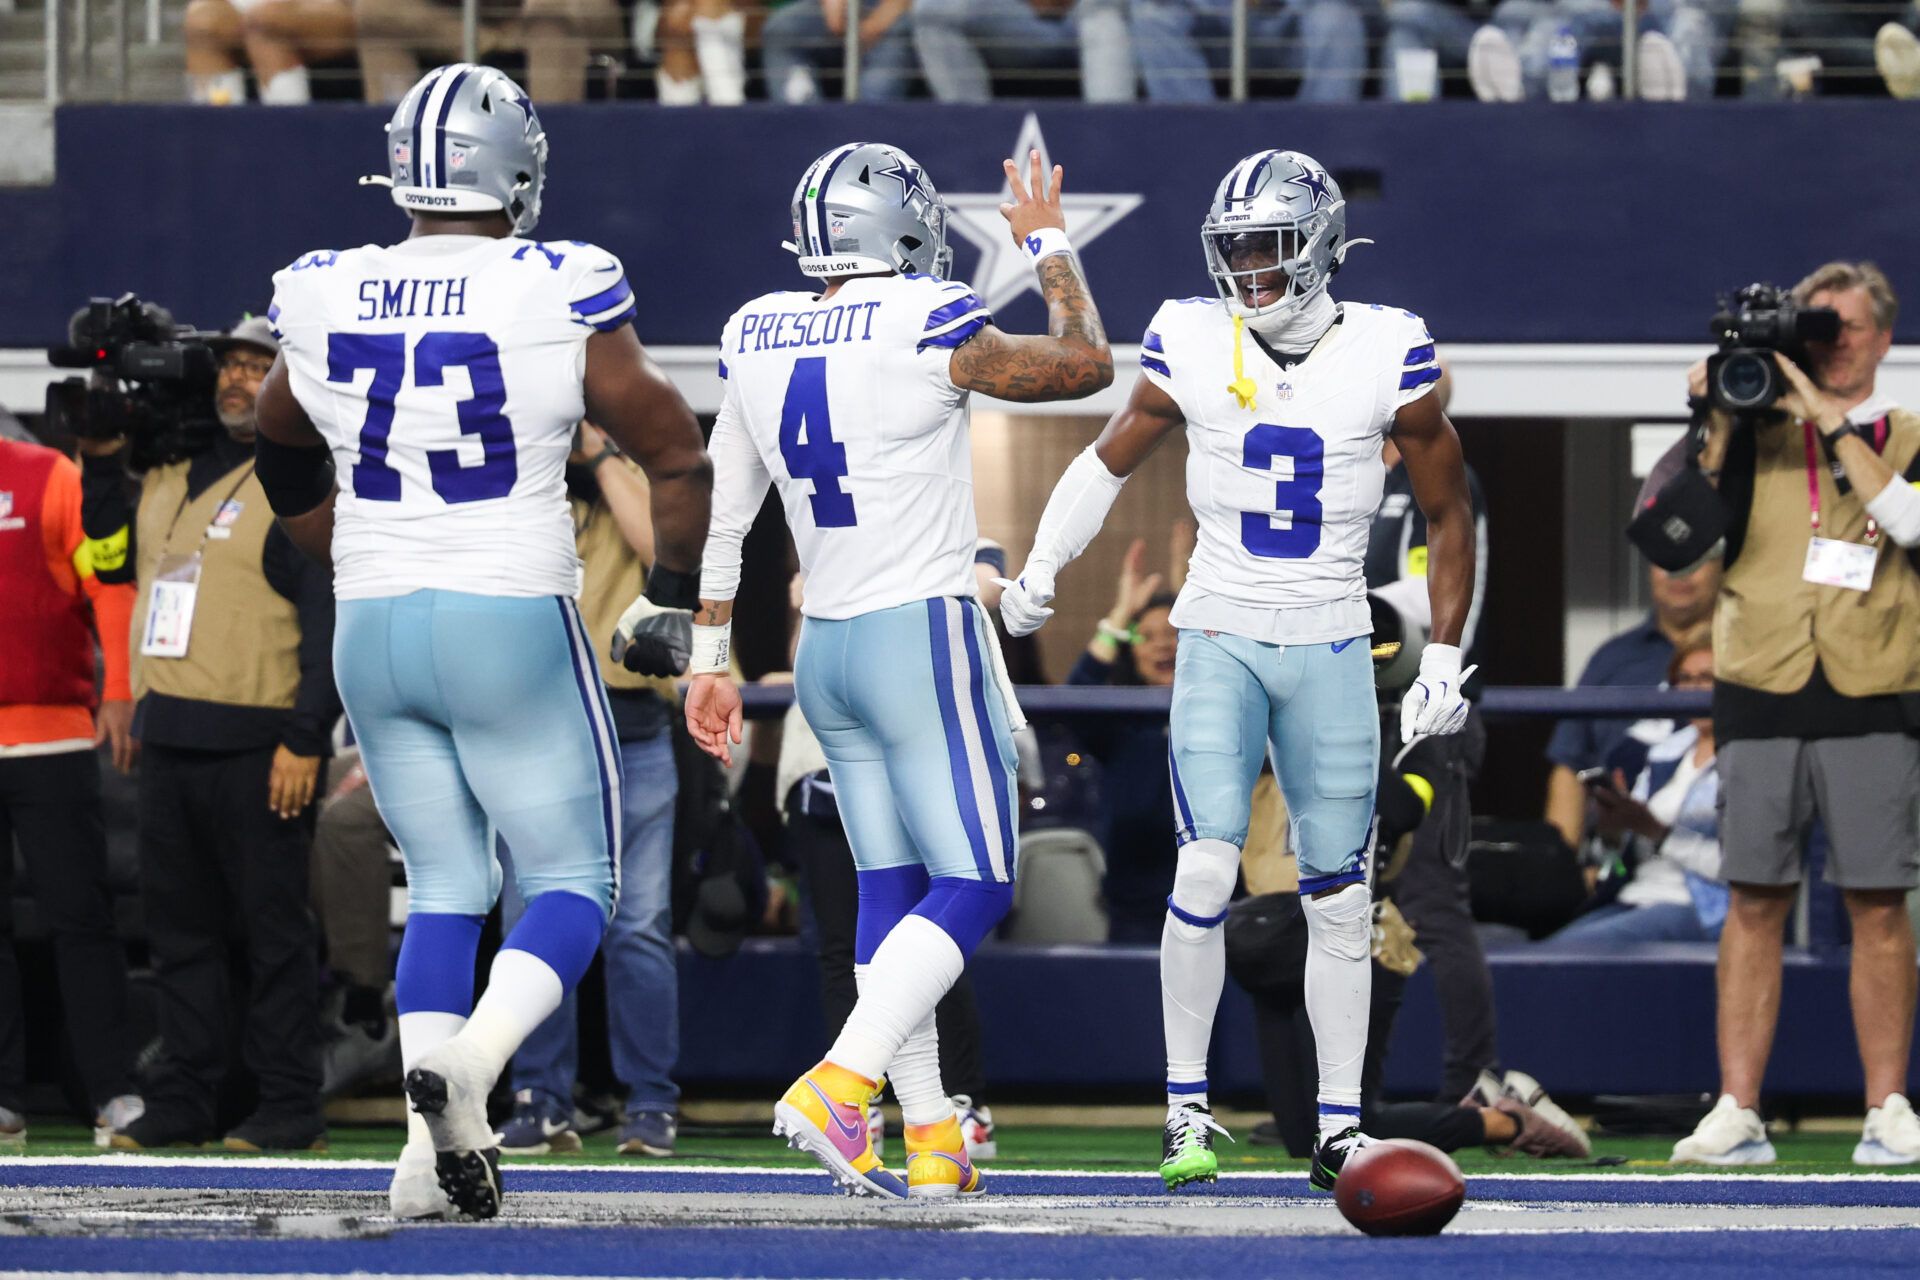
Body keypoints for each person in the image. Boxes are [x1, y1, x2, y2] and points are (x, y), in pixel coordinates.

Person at [254, 64, 711, 1218]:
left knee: (449, 881)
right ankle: (470, 1065)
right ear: (515, 170)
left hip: (373, 621)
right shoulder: (557, 281)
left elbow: (280, 446)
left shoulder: (325, 287)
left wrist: (341, 550)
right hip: (506, 607)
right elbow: (677, 454)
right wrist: (667, 595)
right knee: (577, 880)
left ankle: (419, 1160)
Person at [998, 149, 1478, 1192]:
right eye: (1235, 249)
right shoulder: (1190, 333)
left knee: (1341, 895)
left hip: (1334, 639)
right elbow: (1105, 457)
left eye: (1267, 247)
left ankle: (1341, 1126)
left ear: (1319, 246)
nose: (1248, 270)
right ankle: (1183, 1110)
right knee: (1206, 868)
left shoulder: (1390, 348)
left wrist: (1443, 652)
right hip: (1219, 633)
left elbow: (1449, 510)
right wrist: (1040, 564)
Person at [669, 142, 1110, 1200]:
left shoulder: (754, 330)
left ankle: (928, 1129)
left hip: (825, 650)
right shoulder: (929, 316)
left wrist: (713, 655)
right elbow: (1085, 360)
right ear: (907, 230)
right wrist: (1047, 241)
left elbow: (726, 506)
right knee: (978, 880)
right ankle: (842, 1077)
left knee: (889, 887)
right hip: (921, 628)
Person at [1670, 261, 1920, 1166]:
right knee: (1754, 900)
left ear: (1885, 338)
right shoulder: (1753, 427)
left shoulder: (1909, 431)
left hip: (1873, 685)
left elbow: (1910, 523)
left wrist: (1823, 411)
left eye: (1848, 326)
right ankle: (1737, 1109)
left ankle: (1887, 1107)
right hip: (1760, 682)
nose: (1832, 341)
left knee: (1879, 905)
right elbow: (1676, 529)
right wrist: (1718, 415)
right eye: (1818, 327)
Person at [78, 315, 339, 1154]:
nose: (237, 379)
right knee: (180, 935)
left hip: (262, 743)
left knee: (272, 935)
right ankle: (188, 1098)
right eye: (228, 365)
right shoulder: (168, 476)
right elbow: (110, 562)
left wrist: (306, 736)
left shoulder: (295, 484)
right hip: (169, 738)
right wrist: (99, 463)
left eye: (257, 366)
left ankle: (289, 1103)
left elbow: (325, 616)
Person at [493, 420, 685, 1159]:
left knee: (638, 924)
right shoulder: (511, 478)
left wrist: (602, 451)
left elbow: (661, 548)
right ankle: (540, 1098)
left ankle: (650, 1103)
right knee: (532, 917)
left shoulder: (634, 469)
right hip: (533, 729)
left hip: (631, 721)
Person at [0, 433, 142, 1147]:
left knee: (79, 916)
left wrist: (118, 685)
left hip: (51, 735)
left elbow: (107, 583)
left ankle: (112, 1090)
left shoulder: (45, 475)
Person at [1540, 637, 1727, 947]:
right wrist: (1612, 832)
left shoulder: (1750, 760)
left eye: (1707, 678)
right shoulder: (1664, 754)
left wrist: (1659, 833)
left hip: (1703, 907)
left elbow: (1747, 870)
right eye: (1685, 679)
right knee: (1537, 951)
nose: (1694, 690)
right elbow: (1616, 866)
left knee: (1564, 956)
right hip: (1635, 895)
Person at [1542, 560, 1718, 851]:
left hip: (1716, 872)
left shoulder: (1750, 660)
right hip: (1622, 865)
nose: (1679, 571)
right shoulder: (1612, 659)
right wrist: (1562, 874)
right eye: (1666, 559)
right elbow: (1570, 767)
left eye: (1696, 558)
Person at [1064, 532, 1183, 942]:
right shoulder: (1121, 724)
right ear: (1130, 653)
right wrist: (1119, 616)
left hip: (1223, 902)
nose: (1163, 646)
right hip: (1138, 907)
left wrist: (1202, 610)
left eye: (1174, 633)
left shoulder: (1222, 714)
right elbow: (1076, 695)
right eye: (1146, 637)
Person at [352, 0, 622, 102]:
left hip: (569, 9)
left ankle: (546, 160)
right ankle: (400, 156)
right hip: (469, 17)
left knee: (549, 12)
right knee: (376, 10)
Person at [1132, 0, 1370, 102]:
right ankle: (1192, 133)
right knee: (1152, 17)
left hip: (1289, 32)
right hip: (1212, 32)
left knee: (1337, 18)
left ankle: (1321, 143)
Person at [911, 0, 1134, 102]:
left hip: (1087, 21)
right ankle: (973, 129)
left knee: (1104, 12)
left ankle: (1111, 130)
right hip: (1019, 25)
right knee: (931, 9)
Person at [184, 0, 358, 104]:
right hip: (251, 9)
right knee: (204, 23)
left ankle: (289, 143)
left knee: (266, 22)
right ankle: (220, 149)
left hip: (342, 8)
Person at [760, 0, 917, 103]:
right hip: (835, 11)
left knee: (901, 28)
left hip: (895, 12)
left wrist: (877, 23)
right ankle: (801, 119)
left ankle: (869, 122)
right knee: (783, 27)